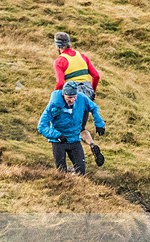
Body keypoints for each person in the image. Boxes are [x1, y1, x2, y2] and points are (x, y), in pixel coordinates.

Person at [52, 32, 105, 167]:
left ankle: (69, 164)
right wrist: (92, 92)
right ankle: (91, 144)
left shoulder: (60, 61)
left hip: (72, 95)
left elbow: (60, 82)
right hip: (87, 94)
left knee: (66, 127)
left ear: (57, 46)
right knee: (81, 127)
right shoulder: (82, 56)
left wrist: (57, 98)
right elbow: (96, 76)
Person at [37, 81, 106, 176]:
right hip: (59, 142)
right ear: (63, 94)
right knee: (61, 173)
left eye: (74, 96)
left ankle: (77, 182)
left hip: (74, 140)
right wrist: (57, 135)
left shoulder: (81, 98)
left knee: (81, 172)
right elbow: (41, 126)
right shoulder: (54, 104)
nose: (72, 100)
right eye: (69, 97)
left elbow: (93, 107)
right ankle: (66, 185)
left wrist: (99, 123)